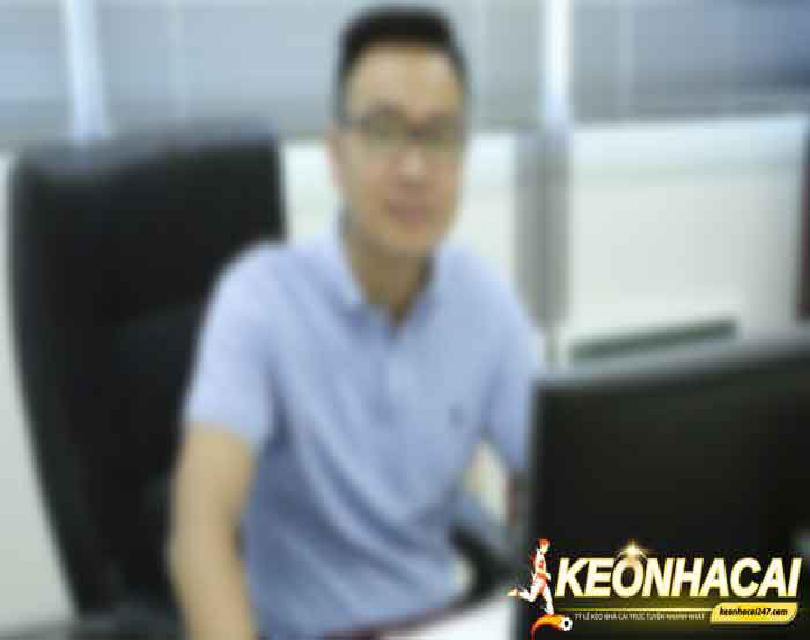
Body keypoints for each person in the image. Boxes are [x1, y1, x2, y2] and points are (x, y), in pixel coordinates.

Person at [168, 6, 539, 639]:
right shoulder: (260, 301)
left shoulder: (485, 304)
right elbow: (200, 533)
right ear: (336, 154)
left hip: (437, 622)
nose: (414, 169)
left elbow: (559, 471)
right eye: (384, 132)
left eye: (439, 136)